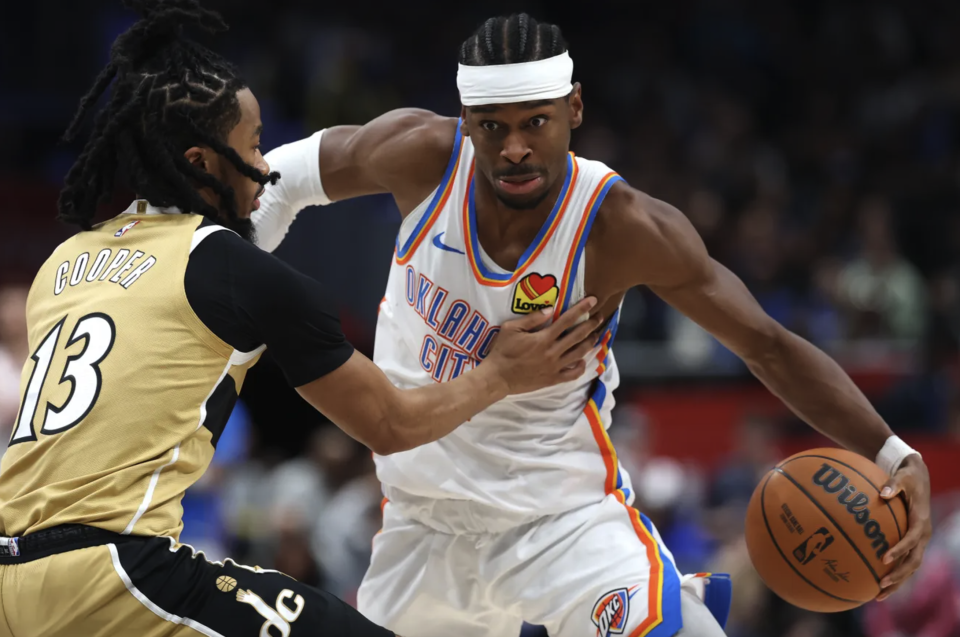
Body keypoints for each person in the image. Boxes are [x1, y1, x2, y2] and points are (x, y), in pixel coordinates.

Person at [251, 13, 935, 637]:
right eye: (493, 127)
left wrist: (894, 455)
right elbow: (275, 180)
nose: (515, 148)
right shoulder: (420, 155)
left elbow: (766, 344)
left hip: (561, 522)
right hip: (419, 526)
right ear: (466, 118)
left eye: (536, 122)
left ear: (574, 107)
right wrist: (224, 298)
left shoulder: (622, 226)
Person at [0, 4, 602, 637]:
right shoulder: (234, 270)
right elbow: (392, 424)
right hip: (113, 573)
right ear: (202, 163)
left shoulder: (63, 262)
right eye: (253, 146)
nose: (267, 167)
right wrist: (501, 374)